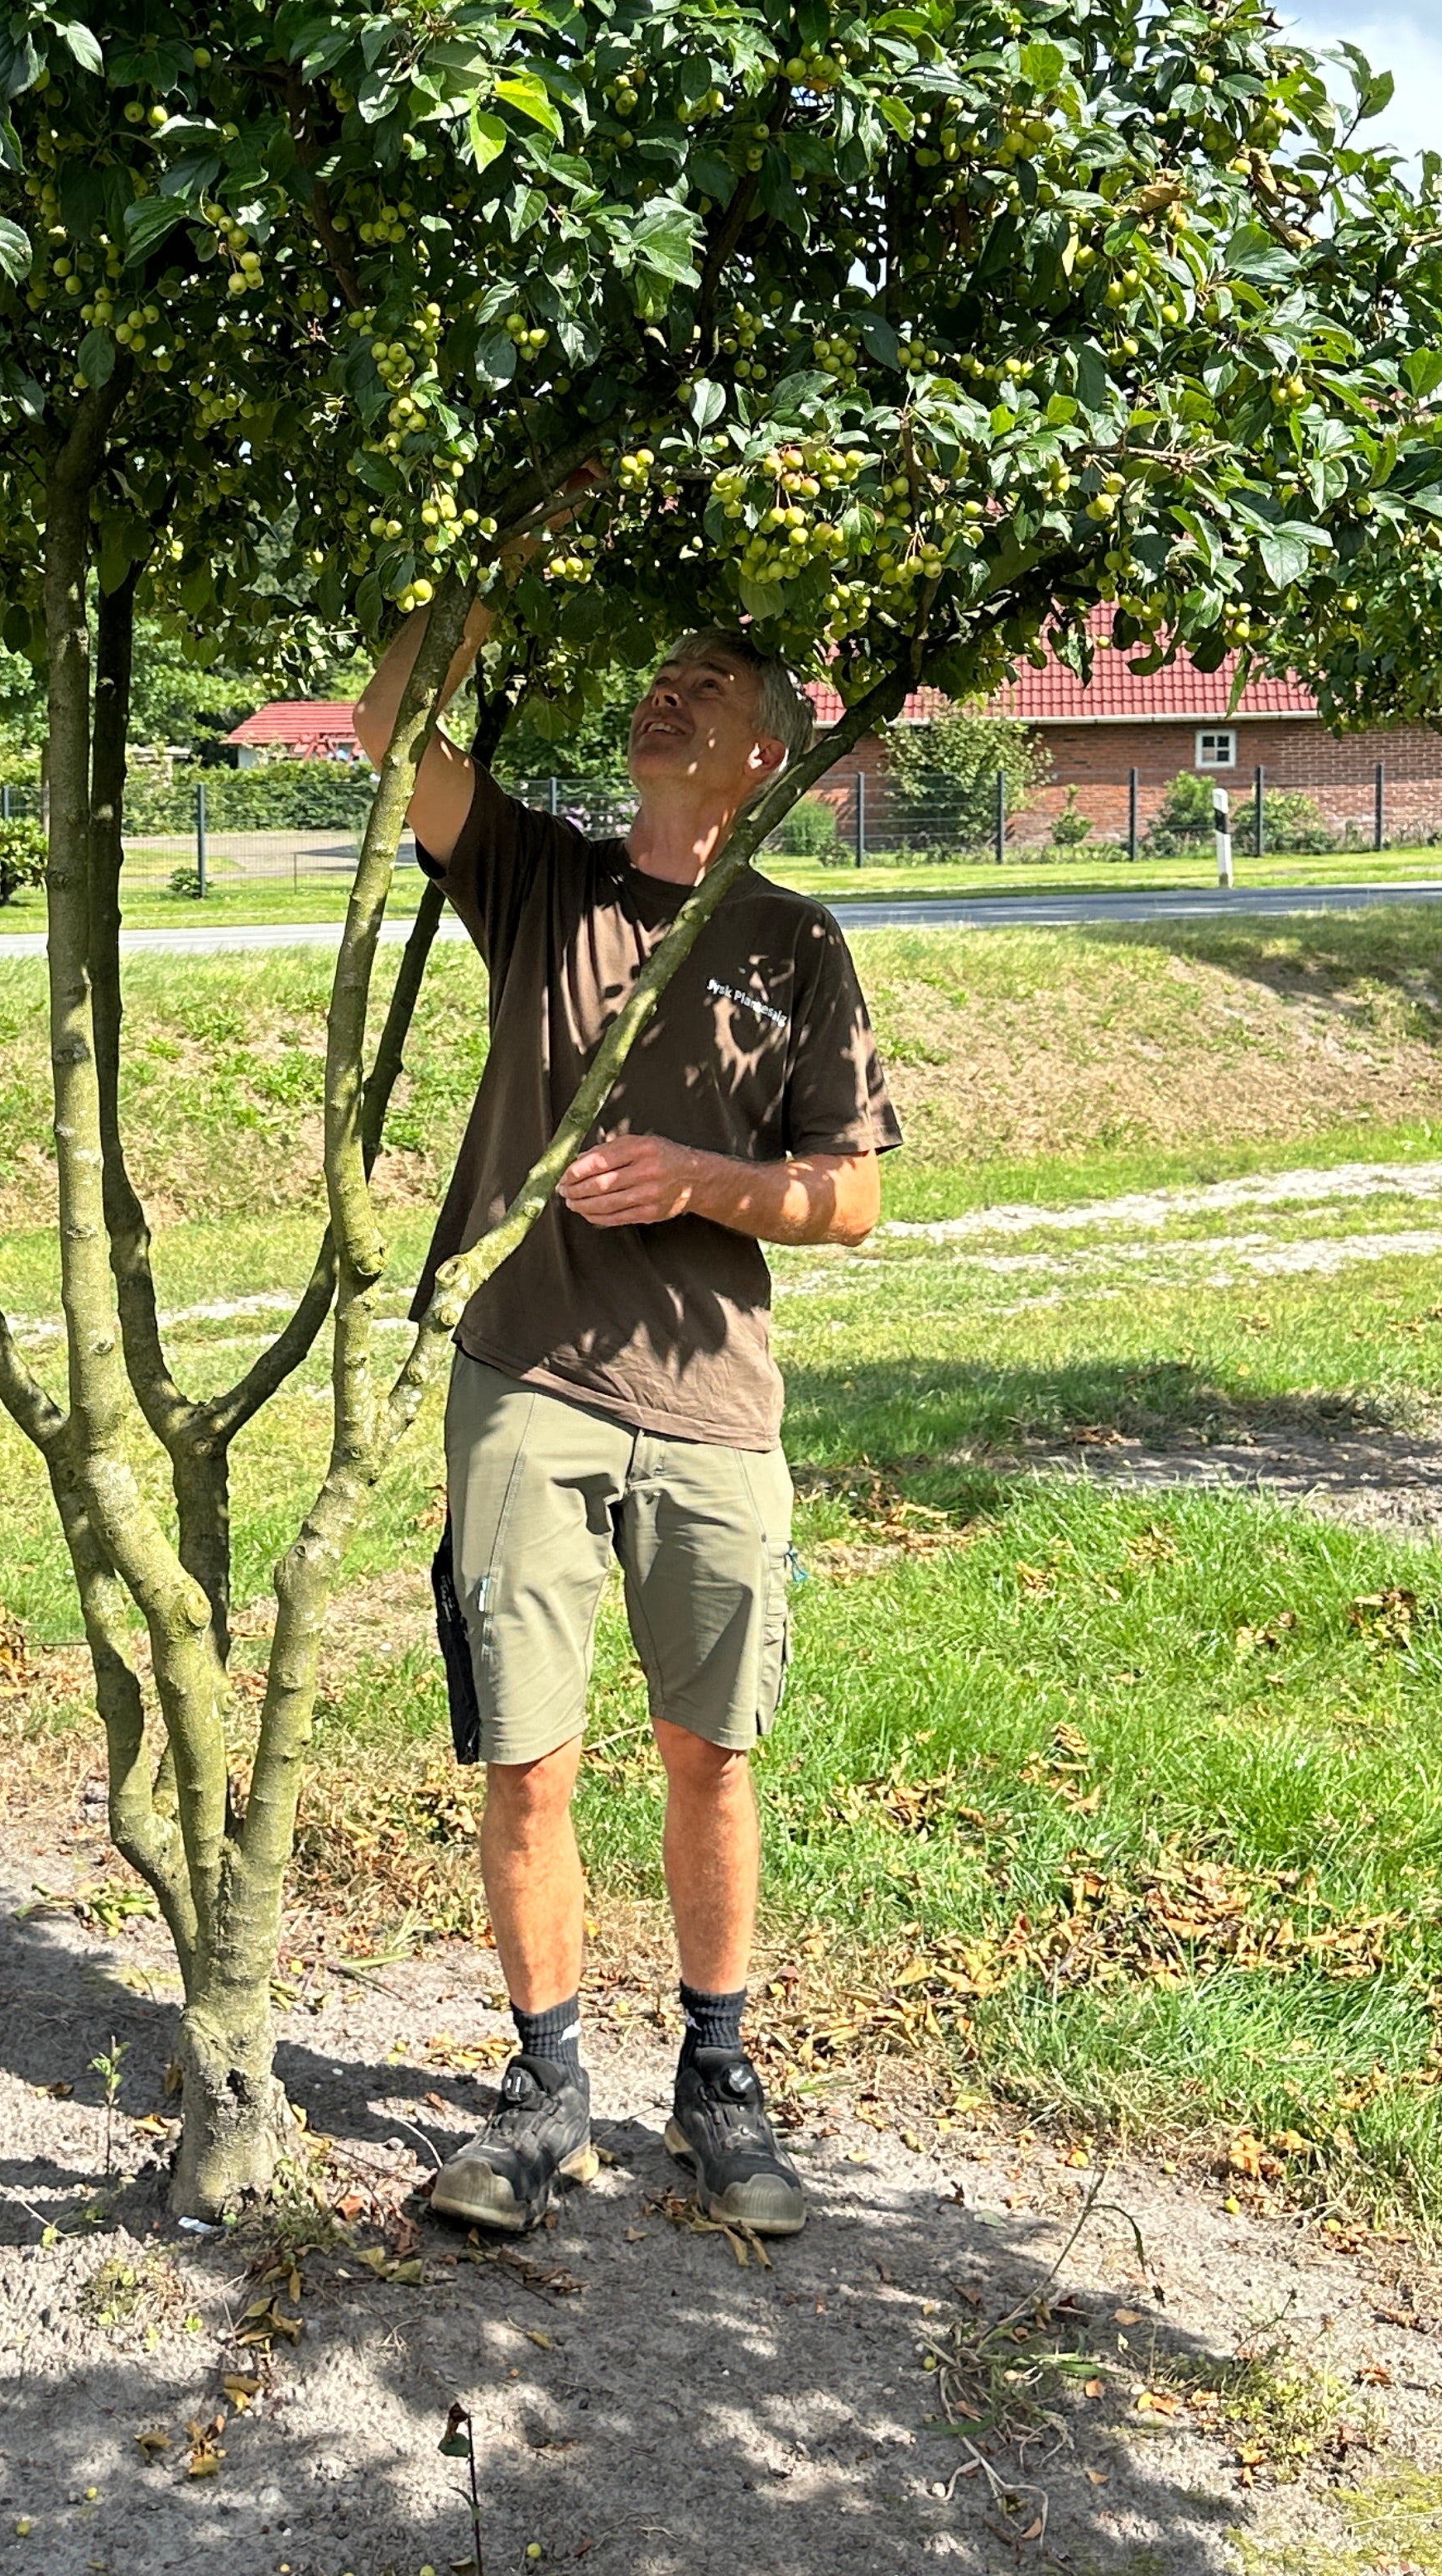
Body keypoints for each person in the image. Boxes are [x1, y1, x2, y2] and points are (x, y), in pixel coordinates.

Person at [353, 576, 897, 2242]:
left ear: (767, 753)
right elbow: (387, 729)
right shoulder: (542, 880)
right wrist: (499, 553)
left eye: (712, 682)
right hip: (528, 1381)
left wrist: (698, 1180)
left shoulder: (798, 944)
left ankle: (717, 2082)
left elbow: (850, 1198)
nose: (671, 693)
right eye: (665, 672)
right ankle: (546, 2090)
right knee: (529, 1759)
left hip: (715, 1406)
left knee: (709, 1756)